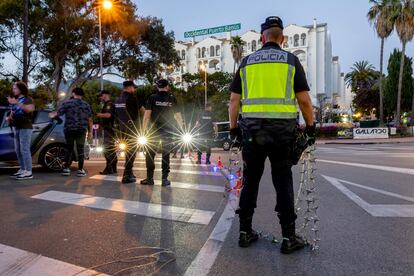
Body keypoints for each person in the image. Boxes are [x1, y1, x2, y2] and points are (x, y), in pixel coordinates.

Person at [228, 16, 316, 254]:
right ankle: (289, 237)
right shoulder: (290, 60)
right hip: (282, 133)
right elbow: (304, 100)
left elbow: (234, 101)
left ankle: (245, 232)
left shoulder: (246, 63)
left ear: (261, 38)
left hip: (252, 133)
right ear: (283, 38)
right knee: (283, 181)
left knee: (250, 182)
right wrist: (310, 128)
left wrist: (234, 129)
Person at [141, 79, 184, 187]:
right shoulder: (172, 98)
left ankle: (150, 179)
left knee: (150, 154)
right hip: (168, 131)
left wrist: (144, 130)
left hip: (153, 131)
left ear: (157, 87)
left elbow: (146, 116)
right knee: (166, 155)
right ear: (167, 86)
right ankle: (164, 179)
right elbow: (178, 116)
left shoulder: (152, 98)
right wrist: (182, 130)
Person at [52, 87, 93, 177]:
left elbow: (58, 113)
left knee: (69, 148)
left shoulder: (67, 103)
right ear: (82, 95)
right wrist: (90, 132)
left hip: (69, 129)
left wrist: (52, 115)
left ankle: (66, 168)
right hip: (81, 130)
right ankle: (80, 170)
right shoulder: (86, 105)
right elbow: (90, 119)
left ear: (73, 93)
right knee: (80, 149)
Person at [114, 81, 145, 184]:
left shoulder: (118, 100)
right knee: (131, 152)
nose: (134, 90)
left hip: (121, 128)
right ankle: (127, 175)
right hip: (132, 128)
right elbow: (143, 111)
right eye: (134, 88)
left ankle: (130, 173)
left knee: (127, 151)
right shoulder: (132, 98)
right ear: (130, 87)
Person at [7, 81, 35, 180]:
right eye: (13, 88)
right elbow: (13, 112)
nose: (13, 90)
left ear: (20, 89)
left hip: (25, 127)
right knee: (18, 150)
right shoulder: (16, 99)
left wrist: (17, 102)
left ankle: (29, 171)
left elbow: (30, 109)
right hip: (16, 127)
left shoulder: (28, 99)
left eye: (15, 88)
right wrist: (9, 118)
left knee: (24, 149)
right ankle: (23, 169)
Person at [97, 90, 117, 175]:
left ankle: (109, 168)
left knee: (107, 150)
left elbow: (108, 115)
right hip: (109, 130)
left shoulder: (109, 104)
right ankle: (113, 168)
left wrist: (98, 114)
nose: (100, 98)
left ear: (105, 95)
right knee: (110, 150)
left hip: (109, 130)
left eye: (101, 96)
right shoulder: (107, 104)